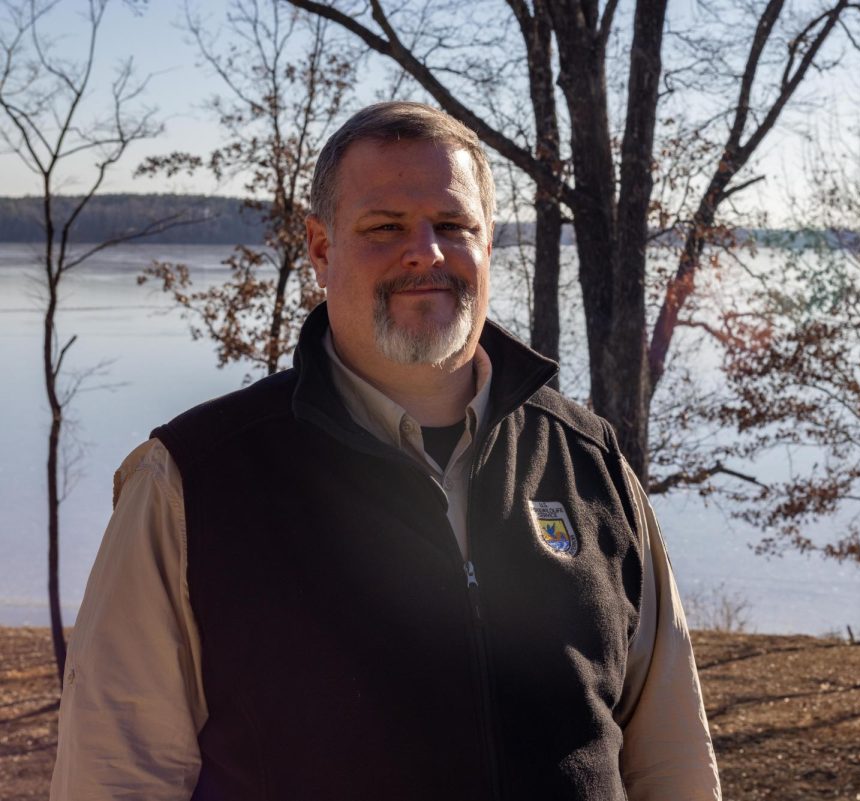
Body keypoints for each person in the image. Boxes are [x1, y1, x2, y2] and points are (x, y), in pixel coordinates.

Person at [50, 101, 721, 800]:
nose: (426, 251)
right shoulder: (193, 481)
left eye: (454, 225)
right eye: (385, 226)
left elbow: (670, 760)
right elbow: (116, 774)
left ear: (488, 243)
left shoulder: (590, 466)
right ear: (319, 247)